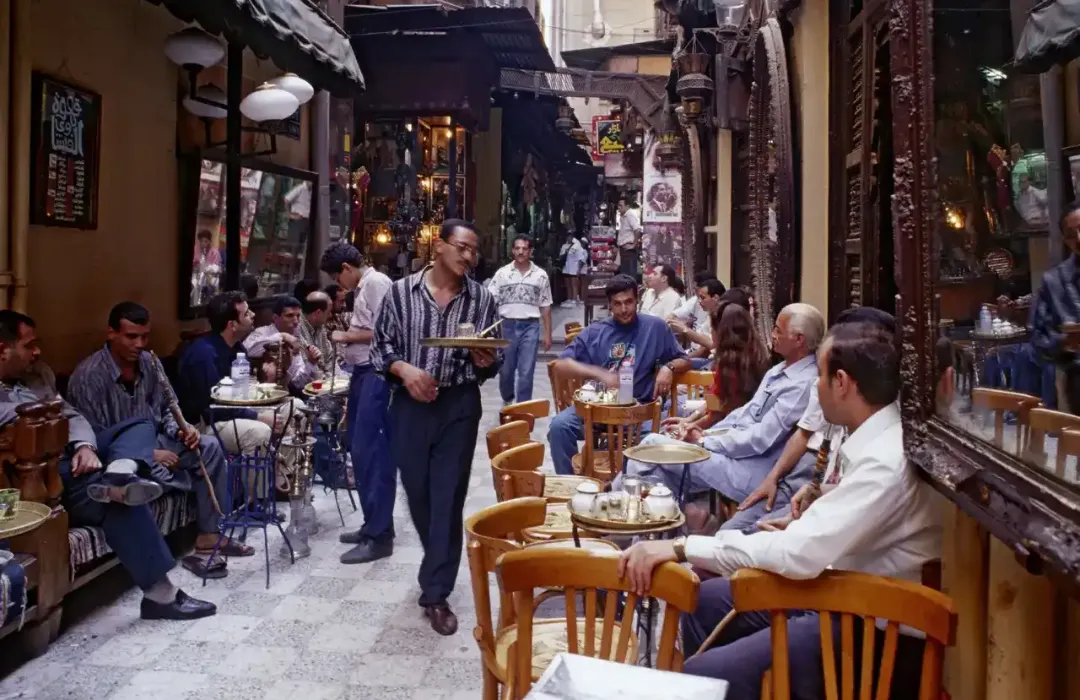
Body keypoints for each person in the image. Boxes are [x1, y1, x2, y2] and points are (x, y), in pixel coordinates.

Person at [618, 322, 941, 698]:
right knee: (704, 601)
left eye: (820, 376)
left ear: (842, 382)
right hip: (840, 588)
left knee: (705, 674)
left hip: (872, 629)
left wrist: (681, 547)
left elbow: (798, 553)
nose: (815, 387)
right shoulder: (872, 438)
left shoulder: (885, 460)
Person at [0, 311, 216, 620]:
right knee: (120, 502)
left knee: (139, 424)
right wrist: (61, 427)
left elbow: (71, 415)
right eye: (28, 345)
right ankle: (161, 596)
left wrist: (85, 446)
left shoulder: (39, 375)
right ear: (2, 349)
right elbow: (31, 417)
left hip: (77, 455)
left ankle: (121, 471)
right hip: (43, 477)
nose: (36, 351)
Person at [372, 219, 501, 635]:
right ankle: (437, 562)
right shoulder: (399, 293)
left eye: (474, 250)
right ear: (439, 246)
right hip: (409, 408)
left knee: (447, 496)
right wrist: (405, 370)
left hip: (459, 404)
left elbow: (490, 358)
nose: (469, 256)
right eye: (463, 247)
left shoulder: (481, 299)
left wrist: (486, 361)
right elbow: (381, 348)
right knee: (420, 493)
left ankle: (436, 591)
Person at [68, 303, 248, 564]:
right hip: (119, 456)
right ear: (111, 334)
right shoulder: (88, 377)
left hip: (159, 440)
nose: (139, 344)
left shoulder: (150, 363)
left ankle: (209, 535)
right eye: (131, 337)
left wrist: (183, 431)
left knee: (208, 446)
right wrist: (148, 453)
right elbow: (95, 438)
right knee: (144, 471)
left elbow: (167, 409)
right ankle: (186, 479)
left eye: (144, 336)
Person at [620, 303, 823, 507]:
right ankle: (664, 525)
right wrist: (703, 434)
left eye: (778, 330)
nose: (773, 334)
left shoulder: (802, 384)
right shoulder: (778, 370)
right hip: (731, 454)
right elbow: (743, 415)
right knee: (657, 471)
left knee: (651, 444)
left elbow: (760, 438)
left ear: (799, 339)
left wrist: (703, 442)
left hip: (749, 471)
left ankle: (618, 505)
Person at [730, 307, 899, 533]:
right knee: (733, 530)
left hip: (817, 490)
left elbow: (813, 543)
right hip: (807, 479)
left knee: (742, 536)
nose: (816, 382)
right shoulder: (828, 392)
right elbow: (804, 434)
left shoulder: (881, 448)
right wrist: (776, 479)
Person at [547, 275, 691, 476]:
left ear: (637, 300)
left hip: (639, 412)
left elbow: (684, 359)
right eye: (617, 304)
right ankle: (571, 485)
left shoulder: (655, 327)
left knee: (662, 441)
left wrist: (669, 367)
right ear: (609, 306)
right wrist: (598, 373)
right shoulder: (595, 332)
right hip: (597, 410)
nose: (624, 309)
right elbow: (560, 365)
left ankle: (639, 490)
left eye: (629, 302)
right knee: (559, 427)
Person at [319, 241, 396, 565]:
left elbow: (388, 329)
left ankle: (379, 535)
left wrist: (346, 337)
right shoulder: (366, 286)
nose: (340, 286)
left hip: (377, 372)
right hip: (364, 373)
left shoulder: (376, 283)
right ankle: (373, 524)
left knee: (372, 452)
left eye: (339, 279)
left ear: (347, 269)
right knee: (360, 448)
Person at [176, 292, 273, 456]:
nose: (253, 315)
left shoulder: (238, 349)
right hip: (205, 425)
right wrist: (256, 416)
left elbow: (243, 393)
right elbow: (211, 408)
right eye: (247, 313)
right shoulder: (203, 354)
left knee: (293, 408)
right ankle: (255, 482)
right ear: (232, 325)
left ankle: (284, 477)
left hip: (232, 413)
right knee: (259, 432)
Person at [662, 301, 768, 440]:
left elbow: (716, 417)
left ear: (721, 333)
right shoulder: (758, 357)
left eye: (711, 329)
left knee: (655, 437)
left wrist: (686, 427)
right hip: (740, 431)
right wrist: (689, 420)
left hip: (723, 435)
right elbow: (714, 406)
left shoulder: (729, 367)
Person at [488, 234, 553, 405]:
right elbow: (490, 302)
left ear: (531, 251)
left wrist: (547, 334)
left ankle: (523, 408)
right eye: (517, 248)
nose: (521, 252)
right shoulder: (502, 274)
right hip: (506, 327)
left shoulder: (540, 275)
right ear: (512, 251)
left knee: (526, 371)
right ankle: (507, 399)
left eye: (525, 248)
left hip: (530, 327)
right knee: (506, 370)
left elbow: (545, 306)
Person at [1032, 200, 1080, 413]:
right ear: (1065, 240)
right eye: (1071, 235)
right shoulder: (1054, 282)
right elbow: (1037, 339)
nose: (1079, 239)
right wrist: (1064, 342)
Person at [243, 295, 319, 392]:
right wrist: (282, 336)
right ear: (275, 318)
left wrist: (310, 363)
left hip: (283, 394)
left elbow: (298, 382)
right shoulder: (262, 332)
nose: (296, 321)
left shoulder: (295, 340)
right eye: (290, 315)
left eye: (298, 316)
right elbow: (247, 349)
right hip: (256, 393)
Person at [669, 278, 727, 368]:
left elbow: (709, 347)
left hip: (715, 361)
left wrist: (685, 330)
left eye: (703, 298)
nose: (699, 301)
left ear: (715, 298)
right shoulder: (710, 315)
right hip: (697, 354)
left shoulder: (724, 316)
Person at [616, 195, 643, 277]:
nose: (619, 208)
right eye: (618, 205)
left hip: (629, 251)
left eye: (621, 206)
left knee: (629, 275)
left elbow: (637, 230)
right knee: (625, 275)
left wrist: (634, 245)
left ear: (627, 206)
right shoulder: (623, 217)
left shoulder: (630, 215)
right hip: (624, 250)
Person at [560, 234, 588, 306]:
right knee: (568, 285)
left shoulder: (579, 248)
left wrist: (578, 270)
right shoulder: (567, 246)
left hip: (574, 269)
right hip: (567, 268)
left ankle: (575, 299)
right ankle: (570, 298)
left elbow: (581, 260)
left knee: (574, 285)